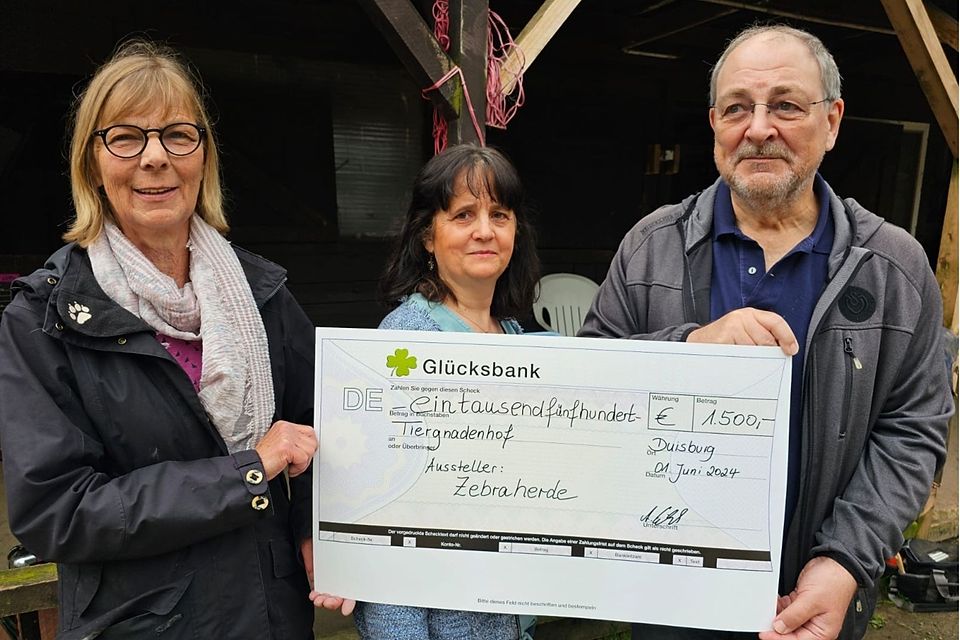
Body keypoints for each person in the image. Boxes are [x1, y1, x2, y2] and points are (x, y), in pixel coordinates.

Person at [579, 25, 952, 640]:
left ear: (832, 121)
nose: (758, 128)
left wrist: (844, 564)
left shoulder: (894, 267)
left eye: (785, 104)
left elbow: (912, 427)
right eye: (737, 108)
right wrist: (688, 349)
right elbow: (587, 390)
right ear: (714, 124)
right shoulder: (651, 246)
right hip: (670, 592)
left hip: (815, 601)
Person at [0, 40, 322, 639]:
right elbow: (57, 512)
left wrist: (310, 528)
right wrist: (247, 474)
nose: (155, 158)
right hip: (142, 624)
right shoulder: (43, 319)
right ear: (92, 162)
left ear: (203, 156)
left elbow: (317, 432)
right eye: (125, 137)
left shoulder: (264, 295)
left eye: (178, 134)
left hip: (272, 617)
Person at [348, 143, 539, 639]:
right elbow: (386, 520)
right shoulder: (406, 341)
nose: (484, 230)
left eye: (500, 214)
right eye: (463, 214)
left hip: (508, 617)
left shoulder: (518, 340)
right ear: (427, 237)